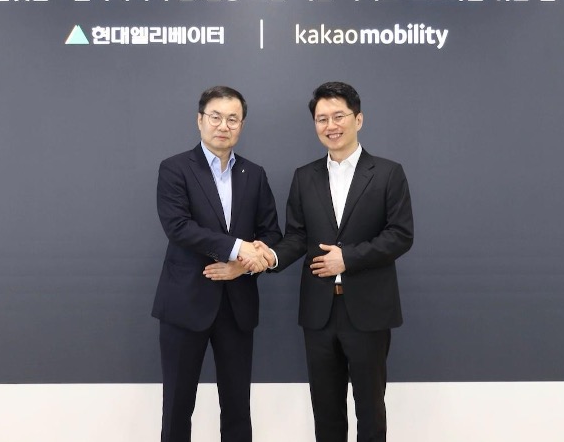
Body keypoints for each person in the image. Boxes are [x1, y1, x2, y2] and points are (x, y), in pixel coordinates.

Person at [247, 81, 413, 442]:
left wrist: (347, 259)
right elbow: (296, 237)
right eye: (322, 119)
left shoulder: (388, 173)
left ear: (358, 119)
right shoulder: (304, 177)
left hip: (368, 311)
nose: (330, 125)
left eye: (339, 116)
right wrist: (269, 256)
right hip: (319, 312)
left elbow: (401, 235)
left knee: (370, 409)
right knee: (325, 411)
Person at [152, 85, 281, 442]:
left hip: (237, 305)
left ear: (241, 125)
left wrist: (245, 265)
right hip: (185, 303)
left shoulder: (254, 174)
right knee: (177, 406)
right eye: (216, 117)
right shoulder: (175, 168)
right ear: (200, 120)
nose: (224, 126)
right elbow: (178, 227)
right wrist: (238, 248)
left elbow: (271, 233)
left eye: (233, 119)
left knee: (238, 406)